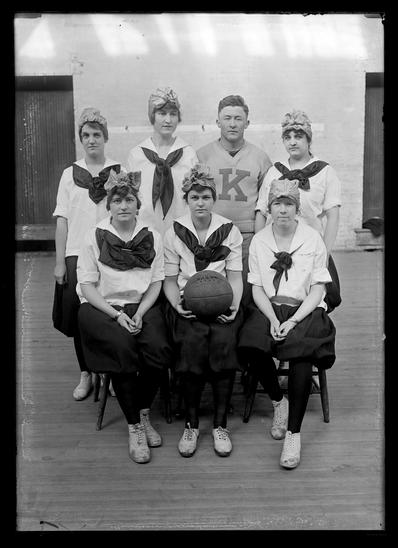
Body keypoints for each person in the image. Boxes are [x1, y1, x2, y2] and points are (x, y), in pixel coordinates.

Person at [238, 179, 336, 469]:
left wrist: (293, 320)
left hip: (304, 308)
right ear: (269, 208)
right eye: (277, 203)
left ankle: (294, 433)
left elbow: (318, 289)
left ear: (297, 208)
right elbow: (256, 288)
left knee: (302, 354)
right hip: (269, 305)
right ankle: (279, 401)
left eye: (289, 204)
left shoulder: (312, 238)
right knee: (250, 344)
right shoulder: (259, 240)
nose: (283, 210)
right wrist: (270, 318)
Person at [76, 171, 173, 463]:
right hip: (102, 308)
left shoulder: (152, 236)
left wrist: (142, 312)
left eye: (129, 199)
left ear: (137, 203)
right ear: (109, 205)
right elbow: (87, 287)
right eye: (117, 200)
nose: (123, 206)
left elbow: (156, 282)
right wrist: (116, 316)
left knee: (159, 349)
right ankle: (134, 428)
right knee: (123, 349)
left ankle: (143, 412)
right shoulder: (94, 236)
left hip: (140, 305)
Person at [163, 164, 244, 458]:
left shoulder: (229, 230)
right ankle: (192, 423)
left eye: (206, 197)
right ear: (186, 199)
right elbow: (170, 281)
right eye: (195, 197)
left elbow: (235, 277)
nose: (200, 202)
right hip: (187, 303)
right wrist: (176, 306)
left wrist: (233, 306)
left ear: (213, 199)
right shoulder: (173, 232)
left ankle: (220, 424)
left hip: (222, 302)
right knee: (192, 344)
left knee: (224, 342)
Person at [52, 107, 124, 401]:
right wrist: (60, 262)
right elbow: (62, 220)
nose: (91, 140)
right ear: (81, 139)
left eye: (97, 134)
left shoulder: (117, 172)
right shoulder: (70, 174)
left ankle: (110, 370)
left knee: (109, 311)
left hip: (110, 252)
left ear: (105, 138)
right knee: (78, 315)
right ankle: (86, 372)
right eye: (86, 135)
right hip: (76, 254)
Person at [255, 110, 341, 312]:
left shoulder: (325, 172)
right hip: (278, 248)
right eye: (288, 137)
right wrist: (262, 248)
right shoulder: (275, 171)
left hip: (310, 250)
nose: (293, 142)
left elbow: (333, 215)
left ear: (308, 139)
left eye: (298, 136)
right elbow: (261, 212)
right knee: (277, 301)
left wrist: (324, 254)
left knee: (311, 303)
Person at [196, 94, 272, 303]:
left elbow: (265, 204)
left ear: (247, 122)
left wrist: (261, 238)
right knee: (213, 292)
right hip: (211, 234)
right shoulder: (202, 156)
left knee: (247, 294)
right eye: (227, 118)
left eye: (238, 118)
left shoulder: (260, 157)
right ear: (217, 121)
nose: (232, 124)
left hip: (247, 236)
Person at [127, 87, 198, 236]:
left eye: (173, 114)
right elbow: (130, 198)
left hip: (181, 232)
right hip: (145, 233)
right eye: (162, 113)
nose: (168, 120)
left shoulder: (188, 153)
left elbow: (194, 197)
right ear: (152, 116)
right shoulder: (137, 155)